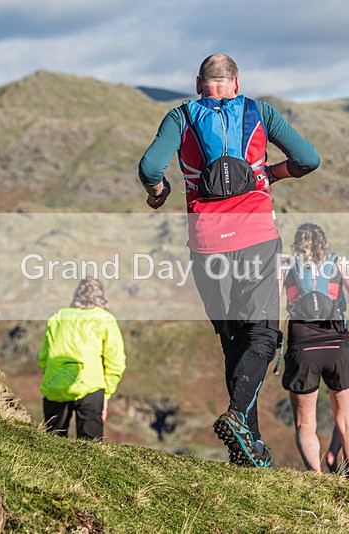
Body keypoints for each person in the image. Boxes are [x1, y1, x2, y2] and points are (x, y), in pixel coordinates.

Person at [138, 54, 320, 467]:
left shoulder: (180, 116)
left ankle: (249, 449)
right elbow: (309, 159)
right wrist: (272, 174)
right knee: (262, 335)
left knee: (233, 342)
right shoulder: (260, 112)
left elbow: (150, 166)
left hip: (205, 246)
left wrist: (158, 190)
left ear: (199, 83)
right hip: (256, 237)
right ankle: (239, 417)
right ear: (236, 83)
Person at [279, 223, 349, 484]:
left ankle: (318, 479)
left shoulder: (286, 264)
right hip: (338, 344)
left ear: (298, 243)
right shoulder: (340, 263)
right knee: (346, 422)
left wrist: (270, 337)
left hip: (302, 346)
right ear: (325, 243)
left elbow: (270, 301)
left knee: (305, 423)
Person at [39, 278, 127, 440]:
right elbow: (116, 361)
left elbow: (45, 355)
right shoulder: (105, 319)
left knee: (51, 442)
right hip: (90, 386)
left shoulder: (59, 316)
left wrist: (50, 375)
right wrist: (106, 393)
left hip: (55, 384)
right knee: (91, 446)